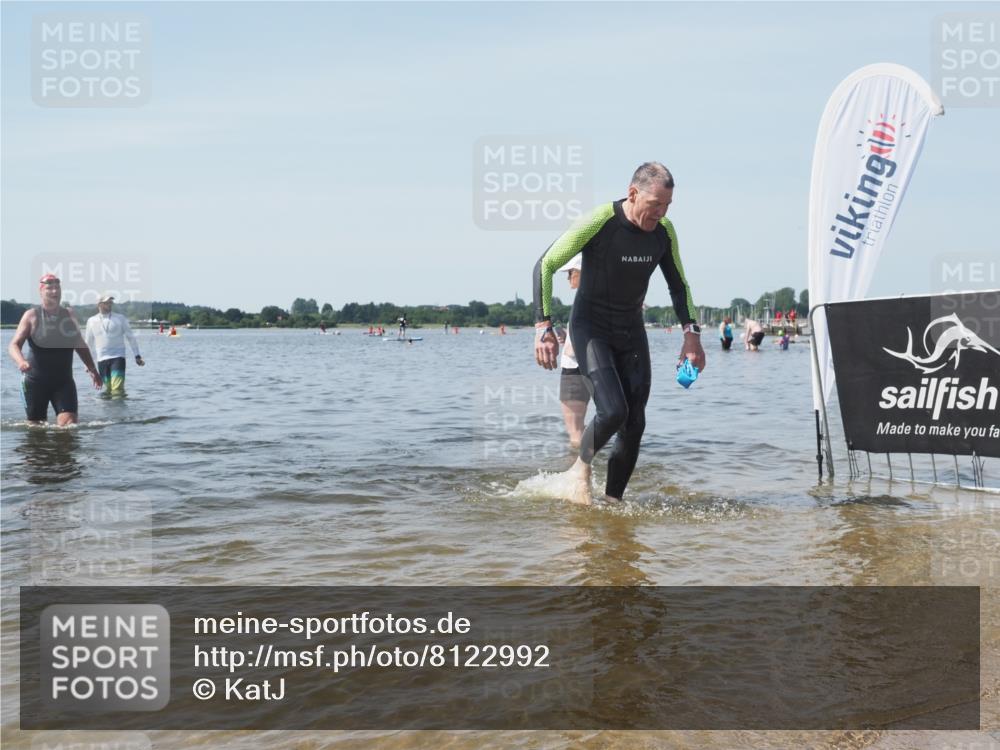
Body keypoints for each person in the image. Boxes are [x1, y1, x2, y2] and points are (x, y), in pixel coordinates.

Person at [532, 162, 705, 504]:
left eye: (667, 205)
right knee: (613, 411)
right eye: (655, 204)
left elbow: (678, 285)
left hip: (630, 331)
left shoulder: (664, 232)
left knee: (635, 422)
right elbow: (546, 264)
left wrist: (691, 334)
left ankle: (613, 503)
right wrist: (543, 327)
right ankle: (580, 470)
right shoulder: (600, 222)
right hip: (591, 329)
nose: (660, 212)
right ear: (632, 193)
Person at [8, 274, 103, 425]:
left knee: (69, 425)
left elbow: (79, 344)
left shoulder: (69, 315)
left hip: (63, 382)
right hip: (35, 381)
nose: (54, 291)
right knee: (35, 430)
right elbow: (14, 345)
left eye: (57, 288)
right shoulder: (32, 316)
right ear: (41, 291)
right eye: (49, 288)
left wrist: (92, 369)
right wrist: (21, 361)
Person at [557, 255, 590, 449]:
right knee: (586, 429)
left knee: (575, 432)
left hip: (574, 371)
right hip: (598, 368)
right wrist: (567, 338)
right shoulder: (602, 298)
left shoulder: (583, 300)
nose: (568, 278)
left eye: (570, 273)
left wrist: (568, 346)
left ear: (580, 273)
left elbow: (573, 350)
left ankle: (580, 475)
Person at [84, 294, 145, 397]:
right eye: (107, 302)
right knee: (108, 389)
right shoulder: (91, 321)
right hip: (101, 360)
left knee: (117, 389)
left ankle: (119, 412)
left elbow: (131, 337)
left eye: (111, 302)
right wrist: (87, 364)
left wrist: (137, 356)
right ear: (99, 304)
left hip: (118, 358)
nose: (110, 304)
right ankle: (109, 412)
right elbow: (88, 343)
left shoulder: (120, 318)